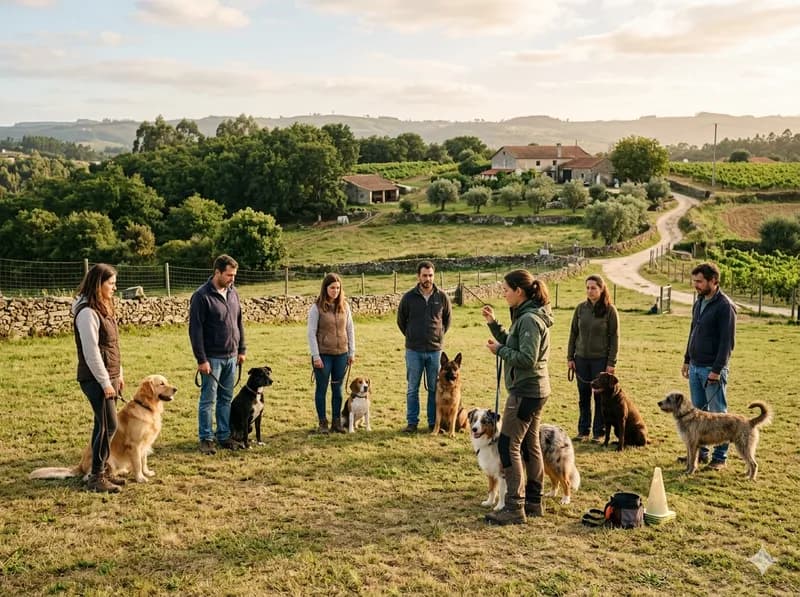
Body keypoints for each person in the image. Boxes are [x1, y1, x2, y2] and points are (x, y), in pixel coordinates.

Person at [482, 270, 553, 525]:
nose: (503, 293)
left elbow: (526, 358)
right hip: (536, 389)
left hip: (526, 390)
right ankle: (534, 502)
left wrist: (500, 350)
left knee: (507, 445)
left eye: (506, 289)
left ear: (519, 292)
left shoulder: (529, 320)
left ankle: (514, 506)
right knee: (530, 444)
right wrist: (494, 325)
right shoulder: (525, 316)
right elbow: (516, 343)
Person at [72, 263, 126, 493]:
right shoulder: (86, 312)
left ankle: (101, 469)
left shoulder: (103, 307)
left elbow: (112, 345)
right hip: (95, 379)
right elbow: (92, 352)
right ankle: (96, 476)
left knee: (102, 425)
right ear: (98, 284)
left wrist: (118, 374)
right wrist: (105, 382)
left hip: (109, 375)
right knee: (109, 425)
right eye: (110, 283)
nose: (114, 288)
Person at [681, 262, 736, 470]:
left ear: (714, 281)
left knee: (718, 414)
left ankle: (719, 458)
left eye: (699, 281)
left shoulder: (724, 307)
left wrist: (716, 370)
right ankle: (700, 453)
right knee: (698, 414)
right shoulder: (699, 302)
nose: (696, 285)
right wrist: (687, 359)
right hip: (695, 366)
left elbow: (727, 342)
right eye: (694, 281)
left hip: (711, 369)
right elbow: (692, 331)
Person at [189, 254, 246, 454]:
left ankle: (223, 435)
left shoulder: (233, 293)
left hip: (232, 356)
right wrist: (201, 359)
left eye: (234, 275)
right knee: (208, 399)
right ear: (217, 272)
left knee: (226, 398)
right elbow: (195, 331)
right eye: (229, 275)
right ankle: (206, 438)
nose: (232, 279)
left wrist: (242, 349)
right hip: (212, 358)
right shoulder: (201, 296)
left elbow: (239, 322)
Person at [397, 260, 451, 433]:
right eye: (424, 275)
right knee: (413, 388)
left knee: (434, 388)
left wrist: (438, 336)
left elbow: (447, 320)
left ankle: (431, 423)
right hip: (413, 350)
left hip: (435, 351)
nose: (428, 278)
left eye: (430, 275)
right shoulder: (408, 297)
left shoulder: (441, 296)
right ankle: (412, 423)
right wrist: (412, 335)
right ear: (418, 276)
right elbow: (401, 321)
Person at [567, 274, 620, 443]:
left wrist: (611, 362)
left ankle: (599, 432)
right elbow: (573, 333)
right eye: (588, 288)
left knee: (599, 398)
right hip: (581, 359)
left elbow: (614, 337)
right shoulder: (580, 308)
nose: (590, 291)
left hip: (600, 360)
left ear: (601, 289)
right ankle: (583, 431)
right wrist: (570, 357)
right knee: (583, 396)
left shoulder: (610, 311)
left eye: (593, 288)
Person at [307, 273, 356, 434]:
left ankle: (336, 422)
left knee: (338, 389)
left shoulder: (345, 306)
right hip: (323, 354)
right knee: (321, 389)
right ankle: (322, 423)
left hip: (341, 353)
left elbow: (350, 330)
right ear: (325, 288)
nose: (335, 291)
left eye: (337, 287)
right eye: (332, 287)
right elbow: (311, 333)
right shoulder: (317, 308)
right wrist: (316, 356)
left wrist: (351, 352)